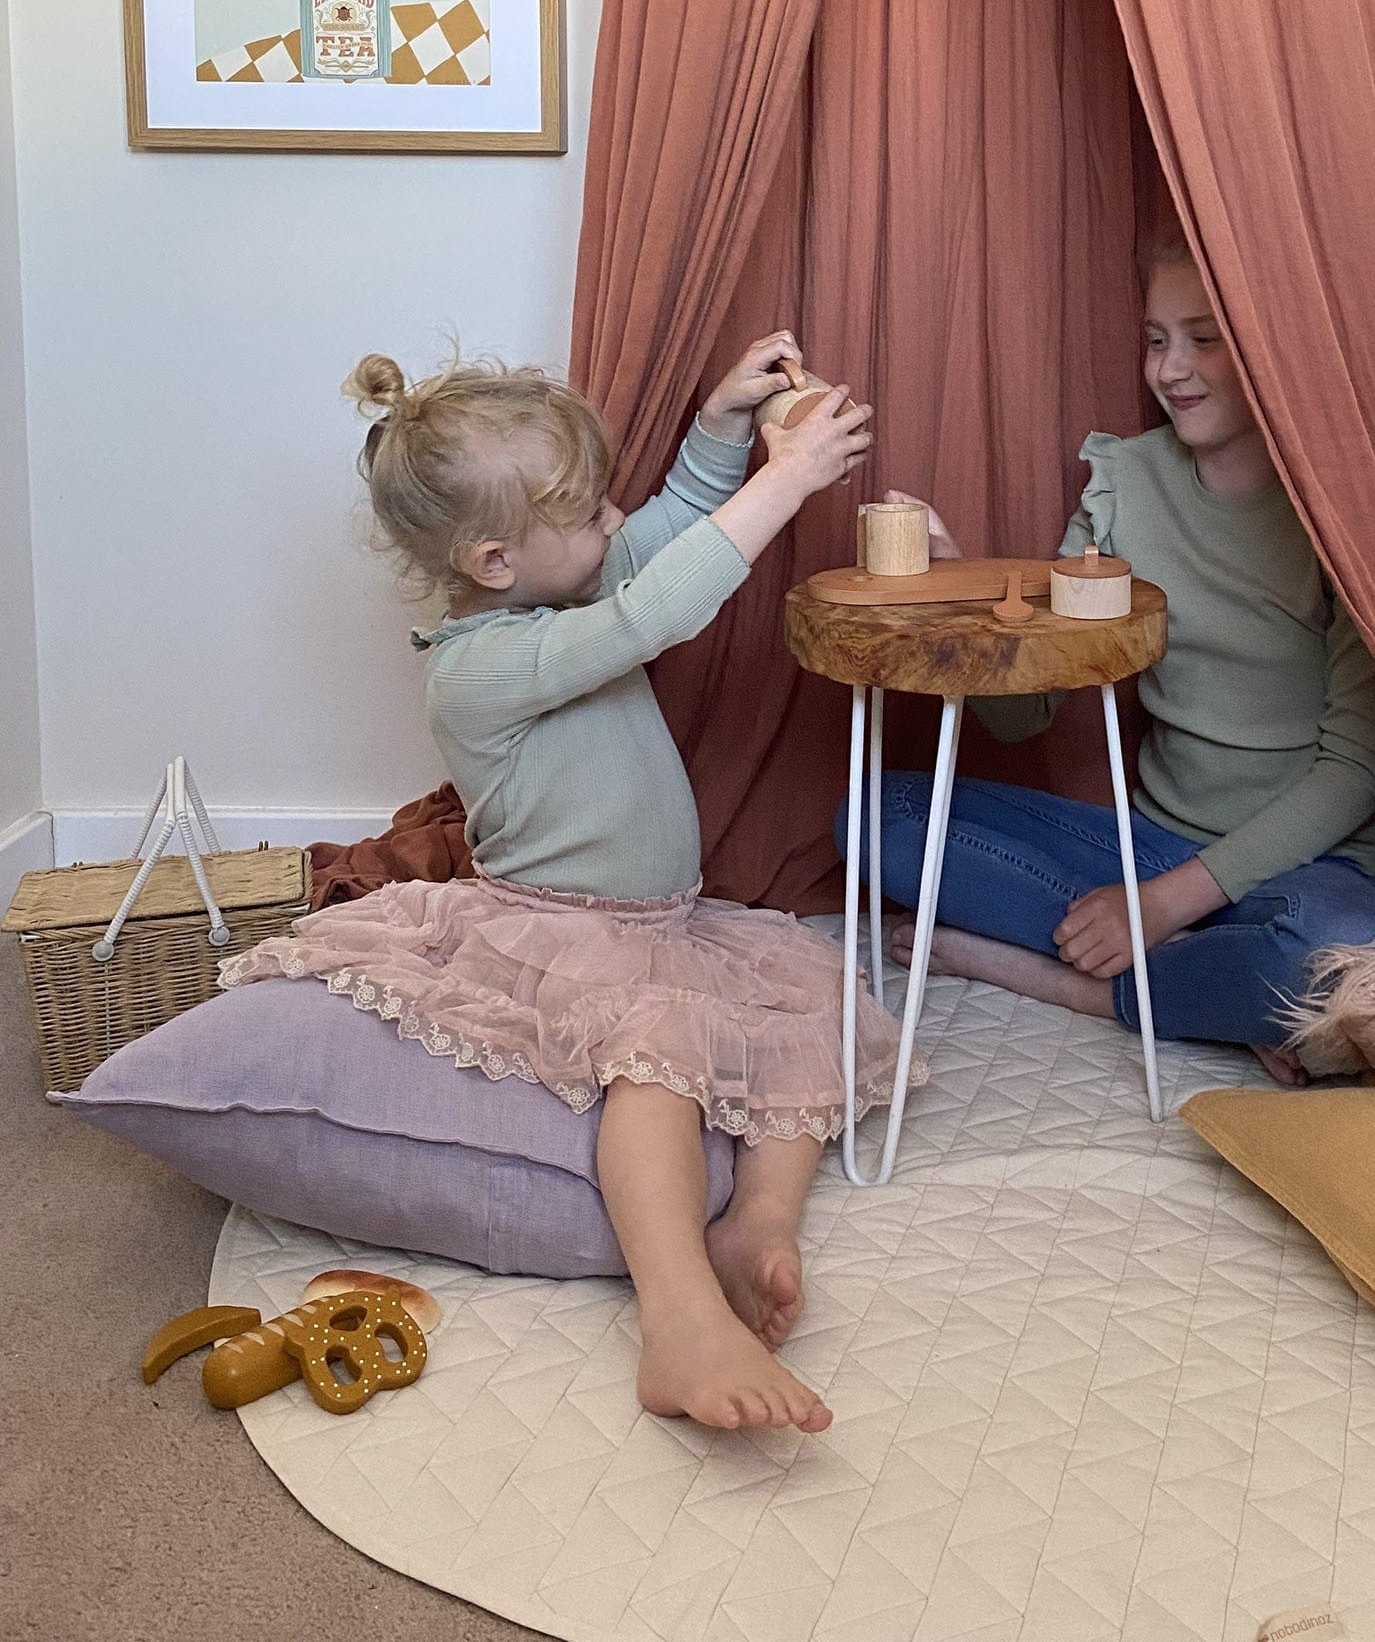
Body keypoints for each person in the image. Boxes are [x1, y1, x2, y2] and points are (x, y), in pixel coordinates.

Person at [223, 338, 911, 1437]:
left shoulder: (556, 596)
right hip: (565, 931)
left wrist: (725, 429)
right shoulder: (483, 665)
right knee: (661, 1068)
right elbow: (655, 609)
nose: (613, 524)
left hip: (665, 921)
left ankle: (759, 1226)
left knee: (808, 1002)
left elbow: (650, 541)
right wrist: (787, 481)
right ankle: (676, 1311)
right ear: (496, 560)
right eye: (588, 513)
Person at [851, 238, 1375, 1060]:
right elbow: (1023, 717)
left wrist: (1157, 910)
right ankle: (1205, 990)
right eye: (1156, 339)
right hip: (1149, 846)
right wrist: (965, 589)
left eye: (1204, 338)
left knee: (1342, 963)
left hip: (1309, 867)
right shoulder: (1122, 482)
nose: (1171, 370)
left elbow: (1356, 773)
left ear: (1272, 341)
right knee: (873, 817)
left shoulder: (1344, 515)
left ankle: (1075, 984)